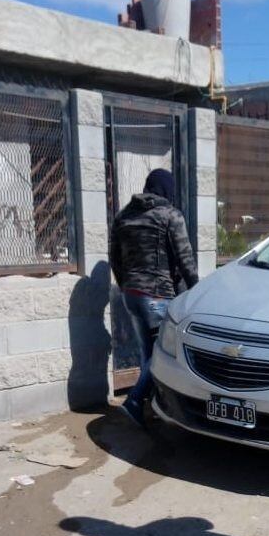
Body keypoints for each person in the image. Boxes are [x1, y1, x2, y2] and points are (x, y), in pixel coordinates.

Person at [109, 168, 198, 427]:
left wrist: (126, 285)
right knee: (161, 355)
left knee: (147, 353)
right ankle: (135, 402)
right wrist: (196, 293)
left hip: (131, 294)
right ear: (166, 190)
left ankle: (152, 407)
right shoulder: (169, 215)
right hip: (158, 295)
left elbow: (114, 257)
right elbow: (185, 259)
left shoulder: (124, 215)